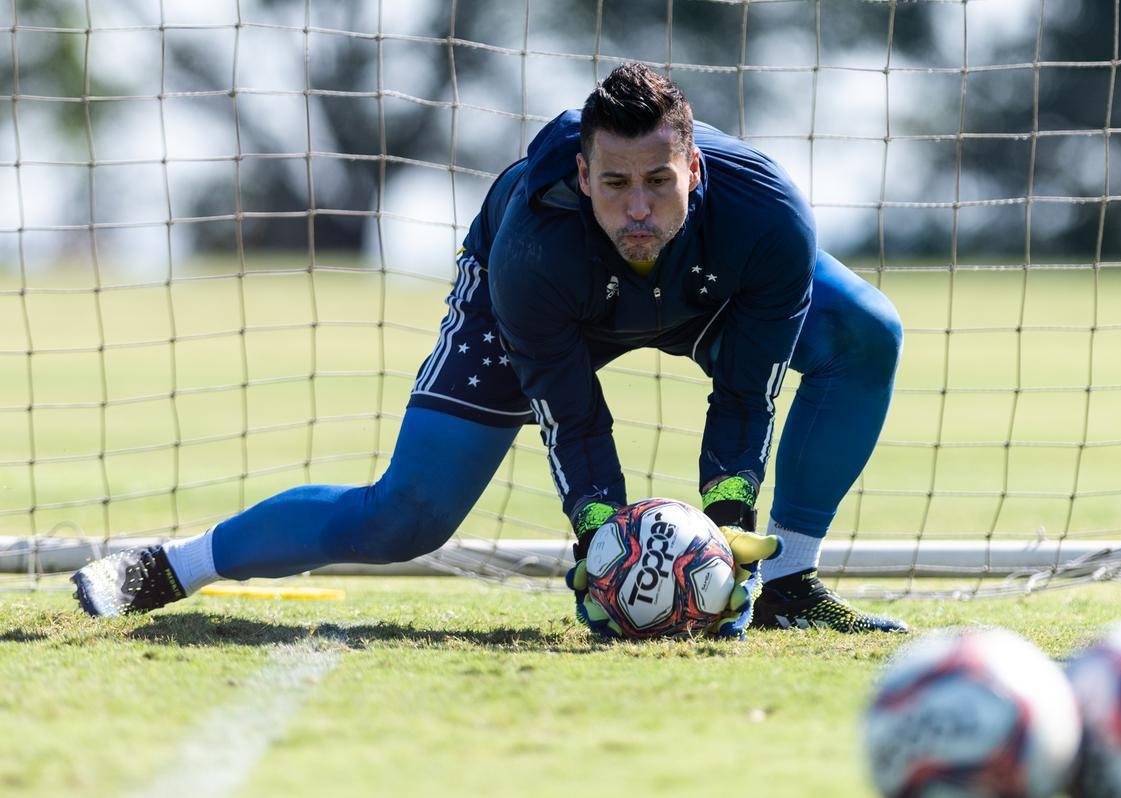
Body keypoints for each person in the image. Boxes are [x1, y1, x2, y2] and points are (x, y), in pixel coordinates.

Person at [72, 63, 907, 635]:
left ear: (694, 167)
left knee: (867, 332)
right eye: (615, 184)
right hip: (555, 306)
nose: (638, 209)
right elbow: (572, 417)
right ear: (582, 177)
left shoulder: (770, 219)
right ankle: (168, 567)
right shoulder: (533, 248)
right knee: (405, 517)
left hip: (705, 286)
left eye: (659, 181)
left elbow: (746, 395)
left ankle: (789, 585)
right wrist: (599, 536)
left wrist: (728, 534)